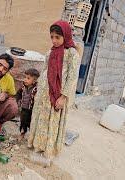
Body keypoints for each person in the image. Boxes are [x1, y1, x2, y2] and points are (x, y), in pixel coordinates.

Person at [27, 20, 80, 161]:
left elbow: (72, 77)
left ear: (66, 36)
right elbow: (45, 70)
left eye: (57, 37)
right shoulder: (50, 52)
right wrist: (39, 89)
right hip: (44, 94)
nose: (54, 40)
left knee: (52, 121)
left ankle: (48, 149)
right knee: (40, 118)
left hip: (57, 95)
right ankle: (37, 144)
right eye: (52, 37)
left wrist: (63, 97)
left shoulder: (72, 53)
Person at [16, 68, 40, 140]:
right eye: (25, 77)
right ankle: (22, 133)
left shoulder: (36, 89)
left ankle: (32, 136)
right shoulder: (23, 88)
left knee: (31, 123)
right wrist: (18, 100)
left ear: (34, 81)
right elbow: (18, 94)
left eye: (28, 78)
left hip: (32, 110)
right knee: (23, 122)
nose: (25, 80)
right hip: (23, 109)